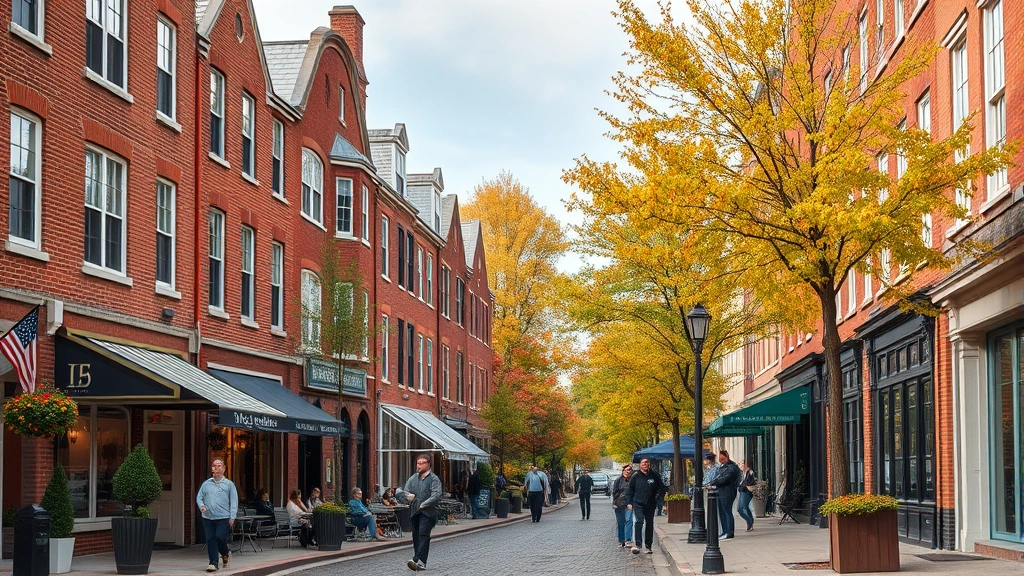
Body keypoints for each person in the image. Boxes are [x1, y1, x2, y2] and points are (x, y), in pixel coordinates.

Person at [396, 454, 442, 571]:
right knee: (416, 536)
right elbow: (406, 493)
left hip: (428, 513)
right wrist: (400, 494)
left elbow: (436, 494)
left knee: (423, 534)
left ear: (428, 464)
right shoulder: (412, 479)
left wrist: (424, 504)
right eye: (418, 463)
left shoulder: (434, 479)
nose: (419, 465)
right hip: (414, 512)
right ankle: (419, 561)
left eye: (422, 463)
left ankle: (418, 559)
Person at [196, 459, 238, 572]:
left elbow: (234, 501)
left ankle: (225, 553)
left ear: (224, 469)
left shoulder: (229, 484)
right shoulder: (206, 484)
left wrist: (232, 516)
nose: (217, 468)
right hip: (207, 517)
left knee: (219, 537)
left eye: (219, 466)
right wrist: (202, 506)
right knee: (210, 539)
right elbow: (199, 497)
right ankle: (213, 562)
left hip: (223, 517)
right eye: (214, 466)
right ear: (212, 469)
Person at [626, 457, 667, 555]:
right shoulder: (635, 476)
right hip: (638, 503)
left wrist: (657, 498)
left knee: (649, 523)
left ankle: (648, 546)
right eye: (644, 463)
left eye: (647, 463)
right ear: (640, 465)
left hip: (650, 503)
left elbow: (661, 488)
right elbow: (630, 490)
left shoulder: (655, 475)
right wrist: (629, 502)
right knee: (639, 522)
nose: (646, 464)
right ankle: (638, 544)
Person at [709, 450, 742, 540]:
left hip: (727, 491)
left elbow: (725, 479)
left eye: (722, 458)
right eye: (720, 459)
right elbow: (718, 477)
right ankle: (725, 531)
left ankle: (729, 532)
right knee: (722, 512)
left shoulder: (732, 467)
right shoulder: (723, 467)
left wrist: (714, 482)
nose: (720, 460)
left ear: (726, 457)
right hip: (721, 491)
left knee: (726, 511)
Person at [611, 466, 634, 548]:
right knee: (621, 523)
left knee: (629, 521)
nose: (628, 472)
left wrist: (631, 503)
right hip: (619, 504)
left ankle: (628, 540)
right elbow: (614, 492)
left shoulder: (632, 480)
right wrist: (614, 503)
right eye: (626, 470)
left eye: (629, 470)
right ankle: (621, 541)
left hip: (629, 504)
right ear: (623, 471)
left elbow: (633, 492)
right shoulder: (618, 480)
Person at [736, 460, 756, 532]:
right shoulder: (742, 473)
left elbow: (750, 481)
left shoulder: (749, 472)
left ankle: (749, 522)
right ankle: (751, 521)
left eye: (742, 463)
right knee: (745, 507)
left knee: (741, 508)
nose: (740, 465)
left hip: (747, 491)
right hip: (742, 491)